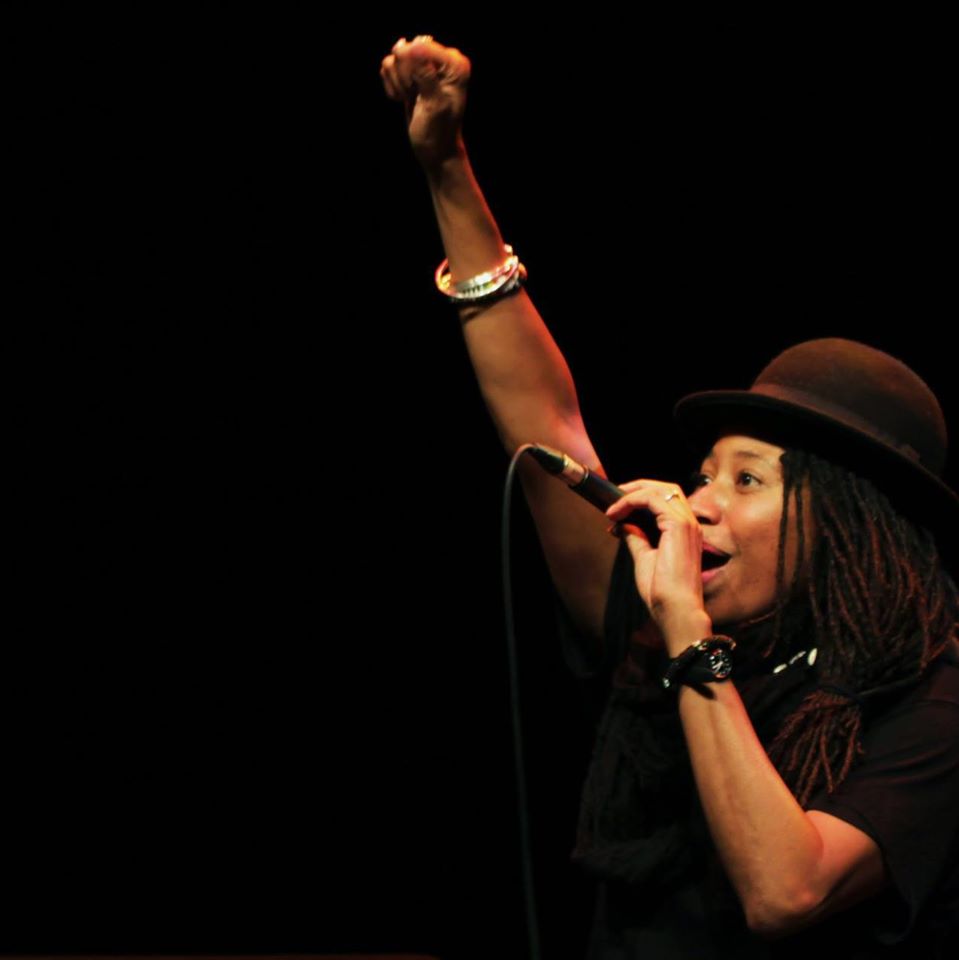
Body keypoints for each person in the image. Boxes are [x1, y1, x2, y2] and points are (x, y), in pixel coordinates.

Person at [380, 36, 959, 958]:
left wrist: (691, 640)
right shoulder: (655, 625)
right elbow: (541, 418)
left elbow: (787, 891)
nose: (700, 504)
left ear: (843, 525)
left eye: (746, 479)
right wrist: (446, 167)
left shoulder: (927, 704)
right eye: (705, 475)